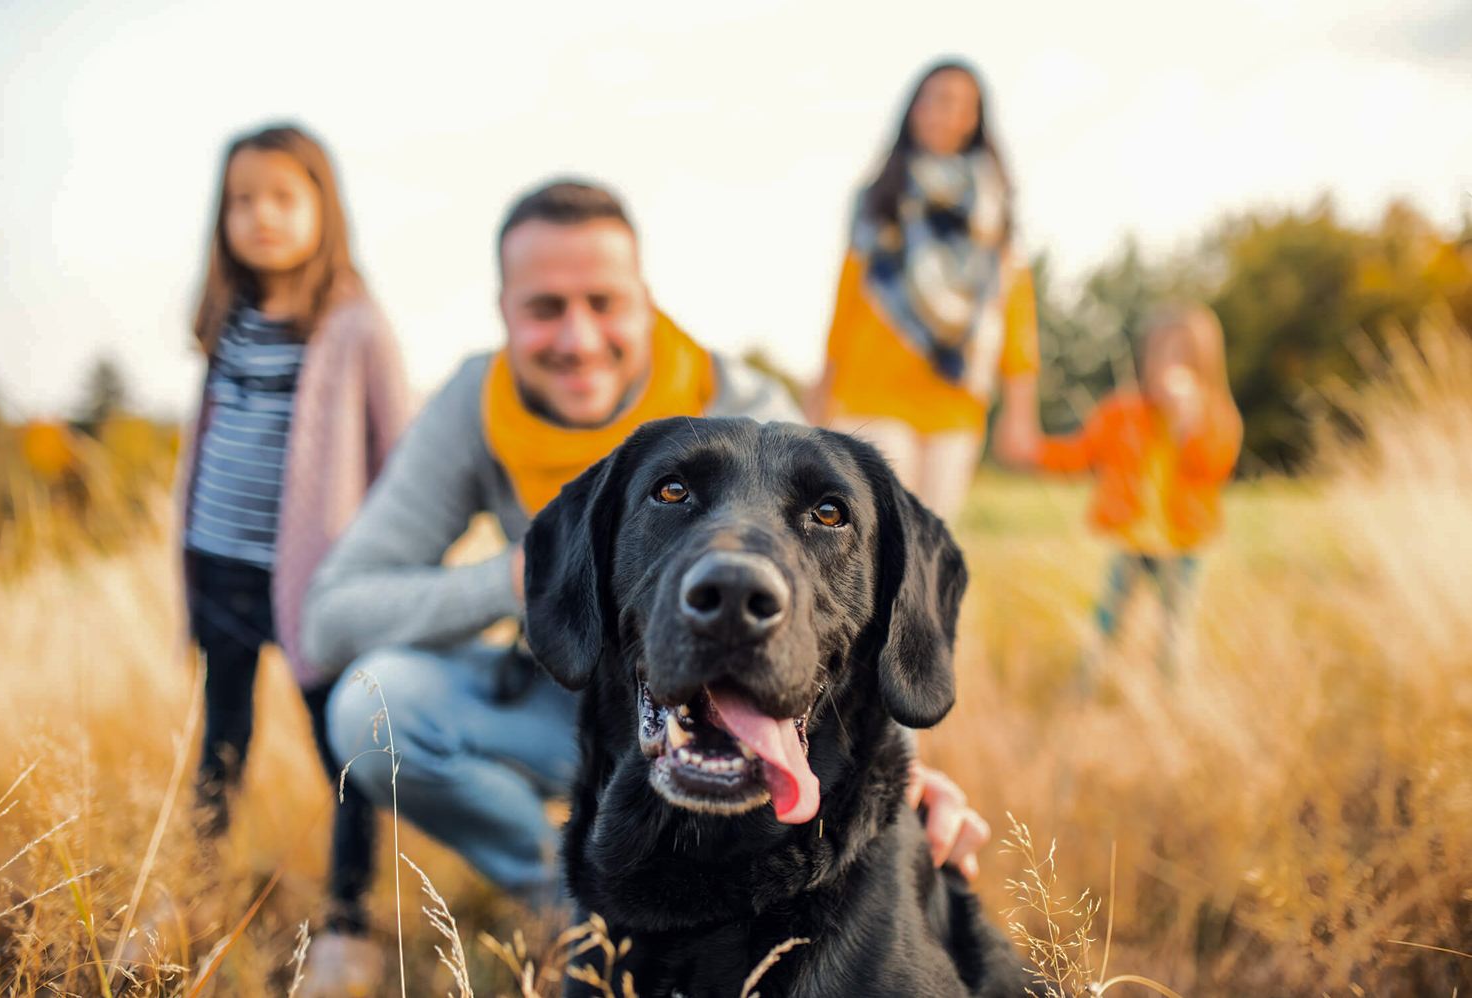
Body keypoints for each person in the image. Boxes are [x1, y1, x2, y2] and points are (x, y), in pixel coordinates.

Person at [302, 180, 995, 991]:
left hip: (755, 697)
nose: (579, 336)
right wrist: (518, 579)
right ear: (502, 310)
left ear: (646, 302)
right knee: (370, 701)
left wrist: (896, 771)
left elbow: (843, 601)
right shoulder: (473, 407)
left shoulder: (743, 406)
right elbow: (329, 619)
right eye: (545, 307)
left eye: (604, 301)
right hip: (578, 686)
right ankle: (585, 901)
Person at [170, 125, 412, 975]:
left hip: (316, 586)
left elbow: (404, 457)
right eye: (242, 200)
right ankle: (194, 895)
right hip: (221, 569)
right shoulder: (227, 320)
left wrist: (384, 573)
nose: (261, 216)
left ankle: (348, 924)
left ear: (322, 207)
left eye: (282, 197)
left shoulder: (353, 324)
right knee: (220, 742)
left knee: (343, 746)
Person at [810, 59, 1042, 521]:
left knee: (931, 541)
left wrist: (1021, 412)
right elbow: (847, 301)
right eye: (936, 99)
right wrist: (821, 391)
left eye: (961, 104)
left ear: (975, 120)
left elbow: (1014, 312)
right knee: (875, 528)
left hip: (954, 400)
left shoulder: (995, 210)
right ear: (913, 110)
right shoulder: (879, 197)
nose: (946, 112)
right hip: (871, 393)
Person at [1027, 302, 1242, 683]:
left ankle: (1173, 691)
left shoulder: (1214, 415)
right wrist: (1033, 451)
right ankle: (1086, 684)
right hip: (1132, 540)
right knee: (1108, 618)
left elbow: (1215, 467)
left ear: (1204, 362)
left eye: (1182, 354)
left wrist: (1187, 423)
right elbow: (1081, 453)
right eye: (1161, 352)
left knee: (1175, 627)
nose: (1169, 364)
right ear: (1146, 358)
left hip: (1184, 544)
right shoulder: (1122, 412)